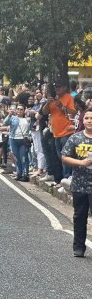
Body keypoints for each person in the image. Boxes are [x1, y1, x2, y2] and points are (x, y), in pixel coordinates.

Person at [61, 110, 92, 257]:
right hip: (80, 184)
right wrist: (80, 162)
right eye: (86, 118)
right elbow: (65, 156)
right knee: (79, 216)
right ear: (82, 120)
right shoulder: (75, 138)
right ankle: (79, 247)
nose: (89, 120)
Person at [41, 80, 77, 183]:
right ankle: (62, 179)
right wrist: (48, 103)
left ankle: (67, 178)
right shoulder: (53, 99)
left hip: (67, 132)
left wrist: (61, 106)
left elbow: (74, 112)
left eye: (59, 87)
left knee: (66, 157)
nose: (57, 89)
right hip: (56, 133)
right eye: (56, 87)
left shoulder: (69, 98)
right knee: (59, 157)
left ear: (65, 88)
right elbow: (44, 112)